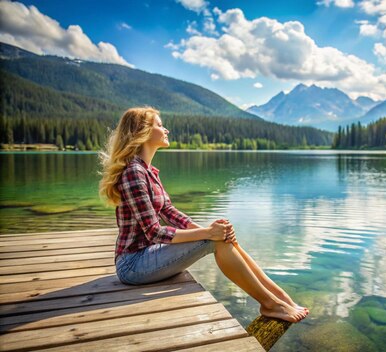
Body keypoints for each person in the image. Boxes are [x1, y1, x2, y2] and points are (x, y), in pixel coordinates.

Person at [99, 107, 308, 323]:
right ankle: (270, 304)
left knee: (223, 238)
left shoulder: (148, 171)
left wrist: (210, 231)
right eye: (160, 125)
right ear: (142, 132)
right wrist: (208, 234)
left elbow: (169, 212)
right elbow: (154, 232)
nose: (166, 129)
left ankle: (280, 298)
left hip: (147, 255)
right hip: (132, 266)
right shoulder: (134, 172)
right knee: (215, 241)